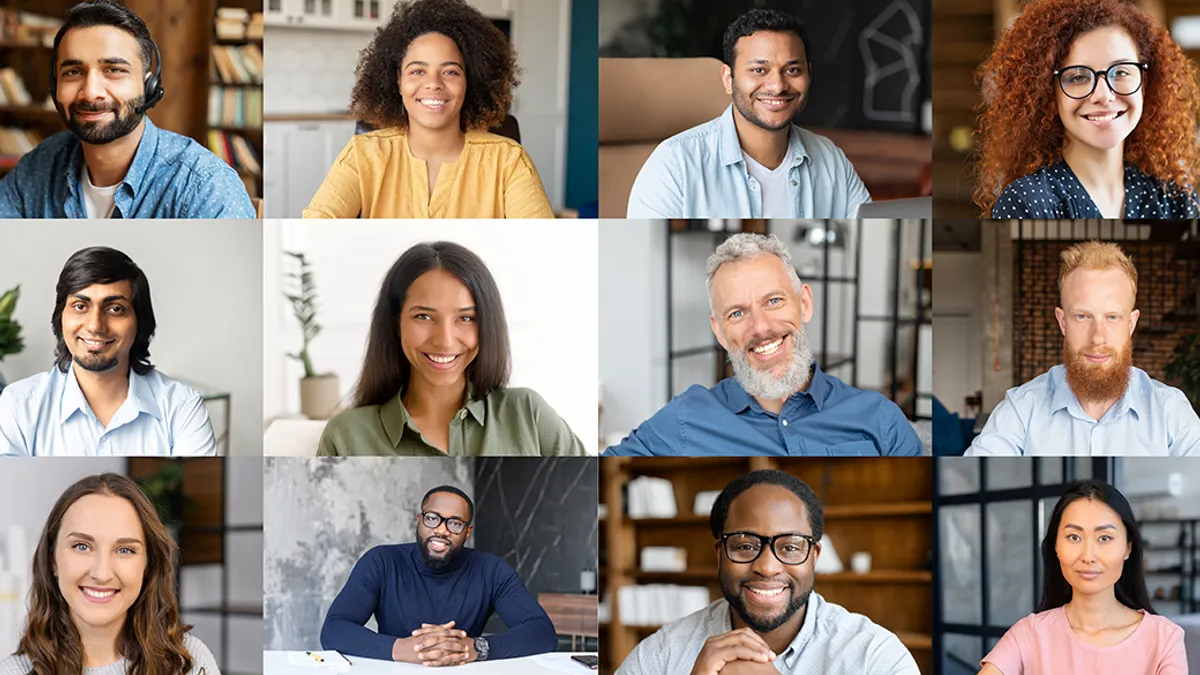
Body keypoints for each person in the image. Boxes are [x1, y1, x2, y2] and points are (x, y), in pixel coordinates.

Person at [604, 233, 920, 456]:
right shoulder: (686, 417)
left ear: (805, 303)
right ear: (719, 332)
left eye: (773, 300)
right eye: (737, 313)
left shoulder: (880, 418)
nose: (761, 327)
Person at [617, 470, 918, 674]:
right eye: (745, 546)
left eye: (790, 547)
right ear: (720, 554)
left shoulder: (875, 656)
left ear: (813, 557)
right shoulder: (665, 652)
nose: (767, 567)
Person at [318, 241, 585, 456]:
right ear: (395, 323)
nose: (445, 340)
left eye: (466, 318)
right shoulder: (346, 438)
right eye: (423, 316)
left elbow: (585, 509)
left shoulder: (528, 415)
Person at [0, 0, 254, 219]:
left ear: (148, 86)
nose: (91, 92)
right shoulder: (40, 166)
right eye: (73, 72)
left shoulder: (204, 186)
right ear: (55, 87)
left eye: (114, 70)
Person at [302, 0, 553, 219]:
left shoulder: (509, 161)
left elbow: (543, 245)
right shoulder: (361, 155)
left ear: (470, 82)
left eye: (450, 71)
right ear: (398, 81)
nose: (433, 83)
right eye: (417, 71)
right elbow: (315, 229)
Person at [626, 9, 870, 219]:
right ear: (727, 78)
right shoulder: (674, 165)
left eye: (792, 69)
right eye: (759, 70)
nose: (777, 85)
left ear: (809, 74)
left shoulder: (831, 159)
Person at [967, 241, 1200, 456]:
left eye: (1112, 317)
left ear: (1131, 323)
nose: (1097, 337)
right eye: (1082, 316)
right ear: (1062, 321)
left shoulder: (1171, 411)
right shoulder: (1021, 408)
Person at [975, 0, 1200, 218]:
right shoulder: (1025, 202)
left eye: (1121, 72)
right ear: (1048, 92)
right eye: (1078, 77)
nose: (1103, 95)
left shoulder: (1176, 198)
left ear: (1146, 83)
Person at [0, 247, 217, 457]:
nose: (95, 326)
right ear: (61, 317)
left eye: (115, 309)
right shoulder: (17, 406)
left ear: (140, 322)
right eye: (80, 306)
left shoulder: (182, 407)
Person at [0, 473, 219, 675]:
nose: (102, 573)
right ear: (52, 561)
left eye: (125, 550)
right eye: (82, 546)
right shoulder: (14, 671)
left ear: (148, 565)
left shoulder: (188, 661)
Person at [320, 485, 557, 665]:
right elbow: (334, 629)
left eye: (455, 523)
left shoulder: (492, 570)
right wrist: (401, 648)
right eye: (432, 518)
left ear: (467, 532)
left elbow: (542, 633)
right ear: (419, 520)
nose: (441, 530)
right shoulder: (381, 561)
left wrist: (476, 648)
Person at [978, 480, 1186, 675]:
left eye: (1104, 538)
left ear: (1127, 547)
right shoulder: (1028, 634)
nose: (1088, 556)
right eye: (1074, 537)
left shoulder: (1165, 639)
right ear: (1056, 546)